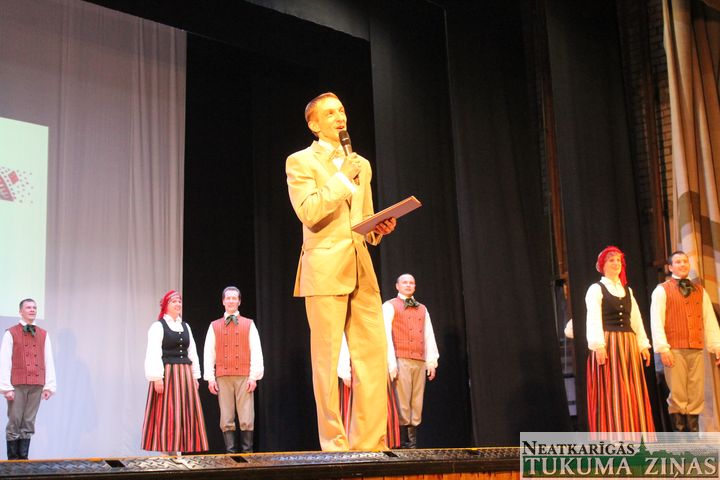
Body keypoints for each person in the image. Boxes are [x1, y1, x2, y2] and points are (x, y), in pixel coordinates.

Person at [286, 92, 396, 451]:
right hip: (324, 269)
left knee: (373, 357)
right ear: (314, 124)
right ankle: (334, 445)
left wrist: (379, 227)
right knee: (327, 361)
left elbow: (363, 217)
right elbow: (309, 211)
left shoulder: (361, 164)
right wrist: (342, 177)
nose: (340, 117)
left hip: (361, 266)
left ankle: (370, 444)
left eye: (342, 111)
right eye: (331, 113)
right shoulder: (300, 161)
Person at [585, 246, 655, 432]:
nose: (616, 263)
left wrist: (642, 345)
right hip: (609, 343)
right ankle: (614, 434)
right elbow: (593, 317)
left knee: (632, 389)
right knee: (613, 388)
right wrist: (598, 345)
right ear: (602, 265)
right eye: (611, 260)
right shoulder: (596, 289)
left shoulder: (627, 290)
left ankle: (635, 433)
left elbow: (636, 319)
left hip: (628, 344)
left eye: (618, 260)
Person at [650, 251, 720, 432]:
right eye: (678, 262)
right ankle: (681, 438)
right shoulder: (662, 290)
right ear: (670, 267)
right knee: (678, 395)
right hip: (674, 349)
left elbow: (709, 320)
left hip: (696, 348)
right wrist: (663, 348)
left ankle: (693, 438)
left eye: (685, 262)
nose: (682, 265)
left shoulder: (700, 291)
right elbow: (656, 320)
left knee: (696, 395)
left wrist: (717, 346)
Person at [141, 290, 208, 454]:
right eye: (174, 301)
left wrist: (194, 376)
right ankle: (166, 453)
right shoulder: (158, 326)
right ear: (165, 305)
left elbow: (192, 352)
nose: (178, 304)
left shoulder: (185, 326)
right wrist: (157, 378)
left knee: (183, 413)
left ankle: (179, 452)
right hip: (168, 375)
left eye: (179, 301)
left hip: (184, 375)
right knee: (168, 413)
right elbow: (153, 352)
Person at [204, 286, 264, 453]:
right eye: (228, 298)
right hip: (223, 376)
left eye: (234, 298)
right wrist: (210, 378)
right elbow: (209, 353)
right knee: (226, 417)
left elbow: (256, 350)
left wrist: (254, 376)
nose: (231, 301)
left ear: (239, 301)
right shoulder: (214, 326)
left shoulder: (249, 324)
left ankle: (247, 454)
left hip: (244, 376)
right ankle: (231, 454)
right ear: (223, 301)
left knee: (246, 416)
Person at [383, 274, 439, 448]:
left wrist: (431, 361)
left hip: (419, 360)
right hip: (401, 359)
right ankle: (401, 442)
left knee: (416, 401)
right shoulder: (389, 306)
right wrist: (391, 363)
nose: (408, 285)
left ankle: (412, 443)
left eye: (411, 283)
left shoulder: (422, 308)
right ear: (397, 286)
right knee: (402, 401)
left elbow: (428, 335)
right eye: (404, 282)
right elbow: (385, 335)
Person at [0, 299, 56, 460]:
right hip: (17, 384)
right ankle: (13, 462)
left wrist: (49, 386)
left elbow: (48, 360)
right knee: (15, 421)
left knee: (29, 422)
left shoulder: (43, 334)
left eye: (34, 307)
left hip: (36, 384)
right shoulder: (11, 333)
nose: (32, 310)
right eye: (28, 307)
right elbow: (4, 360)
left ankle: (23, 460)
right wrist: (6, 387)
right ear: (20, 311)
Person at [337, 334, 401, 448]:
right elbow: (342, 338)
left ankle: (378, 442)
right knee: (357, 405)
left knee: (376, 404)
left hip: (376, 362)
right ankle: (354, 444)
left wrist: (391, 363)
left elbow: (385, 335)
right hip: (357, 362)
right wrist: (344, 370)